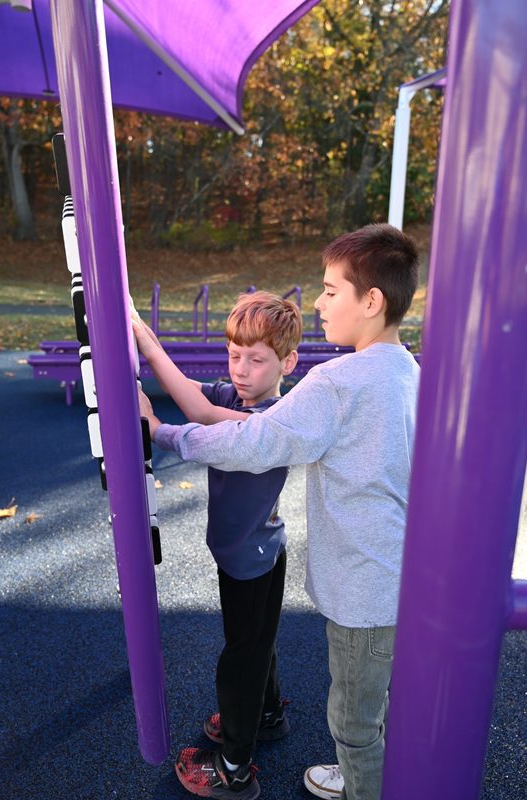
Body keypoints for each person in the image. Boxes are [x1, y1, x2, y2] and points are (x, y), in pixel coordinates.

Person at [138, 223, 420, 800]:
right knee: (369, 699)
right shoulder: (405, 371)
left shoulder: (337, 382)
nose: (318, 302)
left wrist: (166, 434)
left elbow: (255, 443)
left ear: (372, 301)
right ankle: (362, 766)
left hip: (366, 582)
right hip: (394, 571)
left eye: (330, 290)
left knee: (354, 719)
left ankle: (364, 780)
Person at [132, 291, 303, 800]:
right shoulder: (233, 397)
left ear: (287, 362)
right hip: (255, 551)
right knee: (258, 646)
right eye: (234, 355)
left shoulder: (271, 422)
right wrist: (142, 335)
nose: (242, 369)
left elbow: (200, 419)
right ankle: (267, 715)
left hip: (252, 560)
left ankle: (234, 766)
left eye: (257, 359)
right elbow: (191, 393)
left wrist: (158, 430)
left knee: (241, 660)